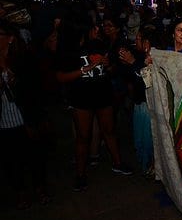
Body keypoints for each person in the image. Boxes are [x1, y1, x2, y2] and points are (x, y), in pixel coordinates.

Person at [55, 13, 131, 191]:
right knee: (83, 136)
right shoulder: (68, 49)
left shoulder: (98, 43)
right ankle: (80, 174)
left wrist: (107, 64)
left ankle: (117, 163)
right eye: (94, 27)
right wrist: (86, 68)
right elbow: (60, 77)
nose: (97, 29)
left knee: (109, 130)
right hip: (81, 96)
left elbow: (112, 68)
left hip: (103, 93)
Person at [0, 20, 50, 208]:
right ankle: (20, 191)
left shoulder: (22, 59)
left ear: (10, 38)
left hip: (26, 116)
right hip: (4, 119)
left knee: (34, 155)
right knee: (11, 160)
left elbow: (35, 89)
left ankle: (39, 188)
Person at [118, 26, 160, 178]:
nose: (135, 42)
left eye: (137, 39)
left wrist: (133, 62)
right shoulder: (141, 56)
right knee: (142, 141)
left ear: (147, 42)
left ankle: (154, 167)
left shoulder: (155, 58)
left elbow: (147, 81)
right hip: (140, 105)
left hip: (148, 107)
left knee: (150, 141)